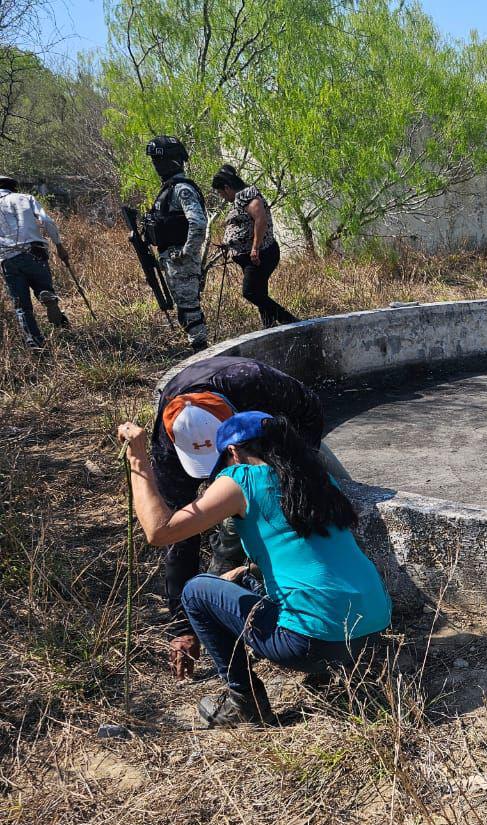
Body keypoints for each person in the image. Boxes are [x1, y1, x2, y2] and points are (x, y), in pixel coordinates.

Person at [117, 411, 391, 726]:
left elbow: (159, 531)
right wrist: (241, 573)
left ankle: (244, 701)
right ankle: (340, 669)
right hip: (372, 630)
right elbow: (301, 550)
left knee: (196, 591)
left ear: (233, 452)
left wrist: (138, 458)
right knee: (243, 580)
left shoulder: (241, 480)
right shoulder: (316, 478)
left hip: (312, 643)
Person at [150, 356, 330, 683]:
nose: (216, 475)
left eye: (220, 463)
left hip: (275, 442)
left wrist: (295, 475)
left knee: (281, 519)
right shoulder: (166, 448)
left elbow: (310, 409)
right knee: (225, 537)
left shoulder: (252, 380)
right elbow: (177, 536)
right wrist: (182, 627)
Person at [211, 165, 299, 328]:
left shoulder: (247, 195)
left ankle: (290, 321)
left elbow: (260, 218)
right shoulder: (242, 197)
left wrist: (255, 248)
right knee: (260, 293)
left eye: (221, 193)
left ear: (227, 188)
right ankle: (270, 327)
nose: (223, 197)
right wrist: (229, 243)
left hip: (260, 255)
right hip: (252, 256)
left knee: (250, 292)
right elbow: (245, 223)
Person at [145, 136, 209, 350]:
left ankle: (201, 356)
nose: (155, 165)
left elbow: (198, 223)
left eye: (158, 160)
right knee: (185, 310)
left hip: (181, 261)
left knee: (190, 311)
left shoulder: (182, 189)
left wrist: (186, 253)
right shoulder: (169, 189)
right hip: (172, 259)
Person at [0, 175, 70, 349]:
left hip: (7, 258)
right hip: (34, 251)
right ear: (12, 187)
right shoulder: (24, 198)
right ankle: (46, 295)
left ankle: (35, 343)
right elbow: (46, 221)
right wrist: (59, 246)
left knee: (22, 307)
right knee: (43, 286)